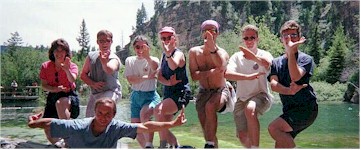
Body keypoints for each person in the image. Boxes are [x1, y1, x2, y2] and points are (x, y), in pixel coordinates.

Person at [27, 97, 187, 148]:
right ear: (94, 113)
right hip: (73, 144)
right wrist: (33, 123)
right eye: (100, 113)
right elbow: (49, 123)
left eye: (107, 114)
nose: (103, 117)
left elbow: (146, 126)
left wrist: (172, 124)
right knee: (52, 134)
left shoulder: (117, 127)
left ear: (114, 115)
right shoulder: (79, 126)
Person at [267, 20, 318, 148]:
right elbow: (273, 85)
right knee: (280, 145)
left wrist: (291, 53)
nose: (289, 38)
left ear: (299, 38)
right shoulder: (276, 62)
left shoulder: (306, 59)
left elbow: (295, 76)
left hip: (306, 109)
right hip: (289, 110)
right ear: (281, 39)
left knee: (274, 128)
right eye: (286, 35)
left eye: (294, 35)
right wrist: (289, 91)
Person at [224, 24, 273, 148]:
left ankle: (255, 148)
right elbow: (228, 74)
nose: (249, 41)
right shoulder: (236, 57)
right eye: (246, 38)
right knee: (242, 135)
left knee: (250, 109)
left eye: (252, 38)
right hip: (241, 99)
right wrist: (248, 77)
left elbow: (268, 65)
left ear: (257, 39)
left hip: (261, 96)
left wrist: (254, 57)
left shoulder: (264, 54)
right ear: (243, 39)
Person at [188, 20, 232, 148]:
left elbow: (221, 65)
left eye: (212, 30)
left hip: (220, 90)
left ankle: (210, 144)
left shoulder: (222, 52)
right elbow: (194, 76)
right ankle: (212, 144)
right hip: (203, 91)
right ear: (202, 33)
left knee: (210, 106)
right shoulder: (194, 52)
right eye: (206, 31)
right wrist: (211, 72)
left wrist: (213, 49)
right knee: (207, 131)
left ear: (217, 33)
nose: (209, 33)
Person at [154, 26, 192, 148]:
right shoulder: (163, 55)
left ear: (174, 39)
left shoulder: (178, 54)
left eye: (169, 38)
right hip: (169, 93)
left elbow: (173, 66)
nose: (166, 40)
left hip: (181, 93)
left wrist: (168, 54)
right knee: (164, 124)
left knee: (157, 111)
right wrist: (168, 83)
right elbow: (158, 75)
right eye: (163, 38)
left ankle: (163, 145)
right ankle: (175, 145)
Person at [39, 38, 80, 147]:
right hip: (53, 94)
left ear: (66, 52)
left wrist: (66, 69)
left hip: (69, 94)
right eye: (56, 50)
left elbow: (72, 79)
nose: (59, 53)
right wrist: (55, 89)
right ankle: (60, 144)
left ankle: (69, 139)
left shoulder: (72, 66)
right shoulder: (45, 66)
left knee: (60, 103)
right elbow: (44, 85)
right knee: (47, 126)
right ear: (52, 52)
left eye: (62, 50)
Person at [124, 35, 161, 148]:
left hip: (150, 95)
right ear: (134, 48)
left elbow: (155, 69)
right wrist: (147, 77)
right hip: (136, 96)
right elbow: (130, 79)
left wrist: (147, 57)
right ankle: (146, 147)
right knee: (135, 128)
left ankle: (149, 144)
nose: (140, 50)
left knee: (144, 115)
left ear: (147, 47)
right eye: (137, 47)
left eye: (143, 47)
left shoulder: (153, 59)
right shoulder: (130, 60)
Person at [80, 30, 122, 117]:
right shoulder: (91, 56)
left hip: (111, 91)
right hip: (95, 93)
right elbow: (83, 75)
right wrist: (93, 84)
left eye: (107, 41)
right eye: (101, 41)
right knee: (89, 120)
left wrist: (104, 62)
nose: (104, 44)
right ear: (97, 42)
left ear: (111, 42)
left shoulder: (114, 58)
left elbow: (109, 70)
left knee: (104, 108)